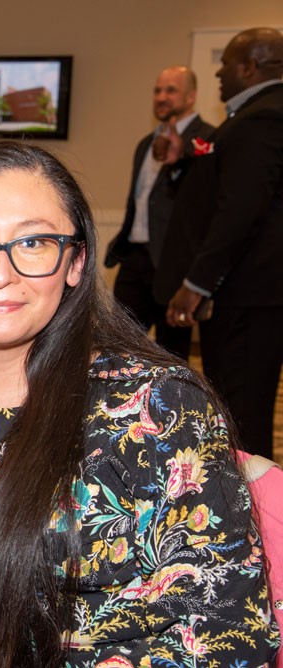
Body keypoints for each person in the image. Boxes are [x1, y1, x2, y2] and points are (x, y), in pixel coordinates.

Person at [0, 141, 278, 667]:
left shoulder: (158, 409)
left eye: (33, 243)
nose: (0, 273)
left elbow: (231, 632)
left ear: (75, 263)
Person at [155, 27, 283, 461]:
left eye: (226, 63)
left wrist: (197, 283)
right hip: (249, 296)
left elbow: (241, 211)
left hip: (248, 298)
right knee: (238, 406)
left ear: (249, 66)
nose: (220, 73)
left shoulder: (262, 116)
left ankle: (251, 518)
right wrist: (182, 163)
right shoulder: (252, 116)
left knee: (242, 414)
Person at [104, 66, 214, 359]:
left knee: (171, 353)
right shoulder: (145, 144)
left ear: (191, 96)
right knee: (117, 346)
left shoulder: (207, 140)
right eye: (157, 90)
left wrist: (181, 163)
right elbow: (140, 201)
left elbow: (205, 202)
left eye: (171, 90)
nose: (162, 97)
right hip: (135, 259)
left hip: (174, 263)